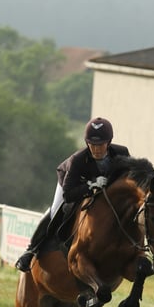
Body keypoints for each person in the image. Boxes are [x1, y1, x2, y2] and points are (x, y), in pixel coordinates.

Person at [14, 116, 131, 272]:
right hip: (71, 183)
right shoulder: (77, 160)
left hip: (104, 189)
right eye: (92, 144)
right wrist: (91, 185)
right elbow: (68, 194)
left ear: (108, 143)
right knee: (56, 210)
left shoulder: (122, 153)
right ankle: (30, 250)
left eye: (100, 145)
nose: (96, 149)